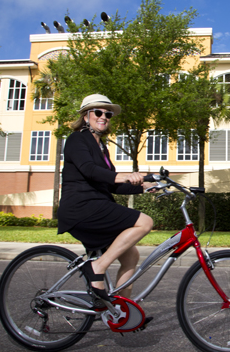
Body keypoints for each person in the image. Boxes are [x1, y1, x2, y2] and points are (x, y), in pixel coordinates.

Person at [57, 94, 154, 303]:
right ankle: (97, 267)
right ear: (85, 116)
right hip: (81, 207)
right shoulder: (77, 139)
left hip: (97, 205)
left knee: (131, 257)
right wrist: (127, 176)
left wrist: (146, 187)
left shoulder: (102, 148)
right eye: (98, 112)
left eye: (107, 114)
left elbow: (110, 184)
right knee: (145, 222)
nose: (104, 117)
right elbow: (89, 170)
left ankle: (121, 310)